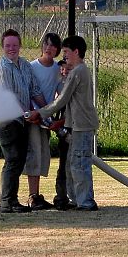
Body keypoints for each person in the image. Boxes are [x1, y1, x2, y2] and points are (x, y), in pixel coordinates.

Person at [27, 36, 99, 211]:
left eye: (66, 52)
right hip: (77, 125)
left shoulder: (77, 72)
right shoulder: (79, 70)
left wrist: (40, 112)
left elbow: (62, 100)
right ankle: (77, 200)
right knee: (73, 164)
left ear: (76, 52)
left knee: (79, 164)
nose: (64, 55)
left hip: (82, 126)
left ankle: (85, 202)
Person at [0, 29, 47, 213]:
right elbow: (8, 98)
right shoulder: (2, 69)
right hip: (6, 121)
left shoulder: (24, 65)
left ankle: (8, 199)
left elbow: (35, 90)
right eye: (8, 45)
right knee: (14, 159)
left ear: (20, 46)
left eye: (15, 45)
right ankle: (7, 202)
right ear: (2, 47)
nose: (11, 49)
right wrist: (26, 113)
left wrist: (46, 110)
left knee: (17, 159)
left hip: (20, 121)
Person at [23, 33, 62, 211]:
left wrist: (51, 116)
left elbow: (59, 93)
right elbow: (29, 92)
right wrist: (36, 114)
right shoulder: (31, 67)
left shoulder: (57, 69)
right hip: (34, 119)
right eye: (46, 44)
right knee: (34, 153)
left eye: (53, 46)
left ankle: (37, 195)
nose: (49, 48)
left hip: (46, 119)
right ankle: (33, 195)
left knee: (43, 154)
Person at [51, 59, 73, 210]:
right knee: (64, 164)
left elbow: (73, 114)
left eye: (67, 70)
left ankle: (74, 196)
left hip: (73, 129)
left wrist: (59, 123)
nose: (64, 73)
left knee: (74, 165)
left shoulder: (75, 88)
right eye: (62, 71)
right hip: (64, 133)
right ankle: (61, 196)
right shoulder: (58, 88)